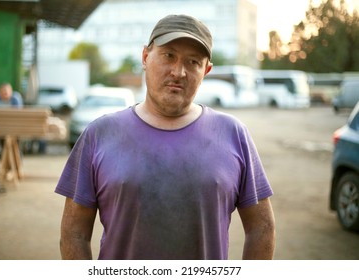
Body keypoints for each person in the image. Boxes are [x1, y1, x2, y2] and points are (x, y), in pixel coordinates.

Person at [55, 14, 276, 260]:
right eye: (168, 55)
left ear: (206, 71)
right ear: (145, 57)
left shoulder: (233, 134)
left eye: (193, 62)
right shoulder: (99, 134)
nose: (179, 72)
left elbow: (262, 228)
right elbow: (74, 233)